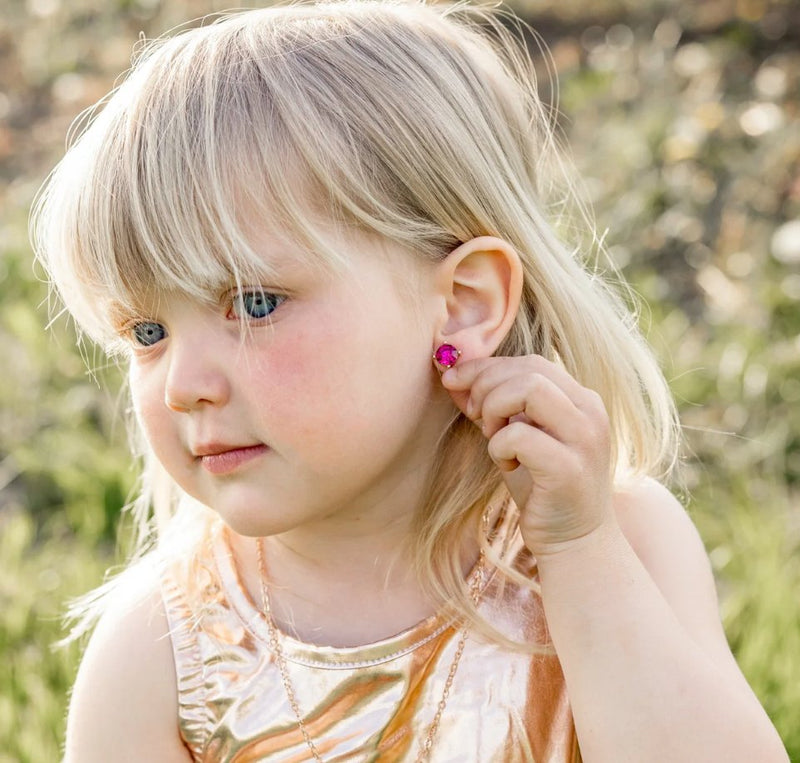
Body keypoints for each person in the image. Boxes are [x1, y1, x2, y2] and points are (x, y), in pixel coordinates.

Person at [32, 1, 788, 761]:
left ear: (461, 306)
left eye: (255, 302)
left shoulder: (618, 542)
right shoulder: (163, 648)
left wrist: (581, 555)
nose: (181, 386)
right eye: (147, 333)